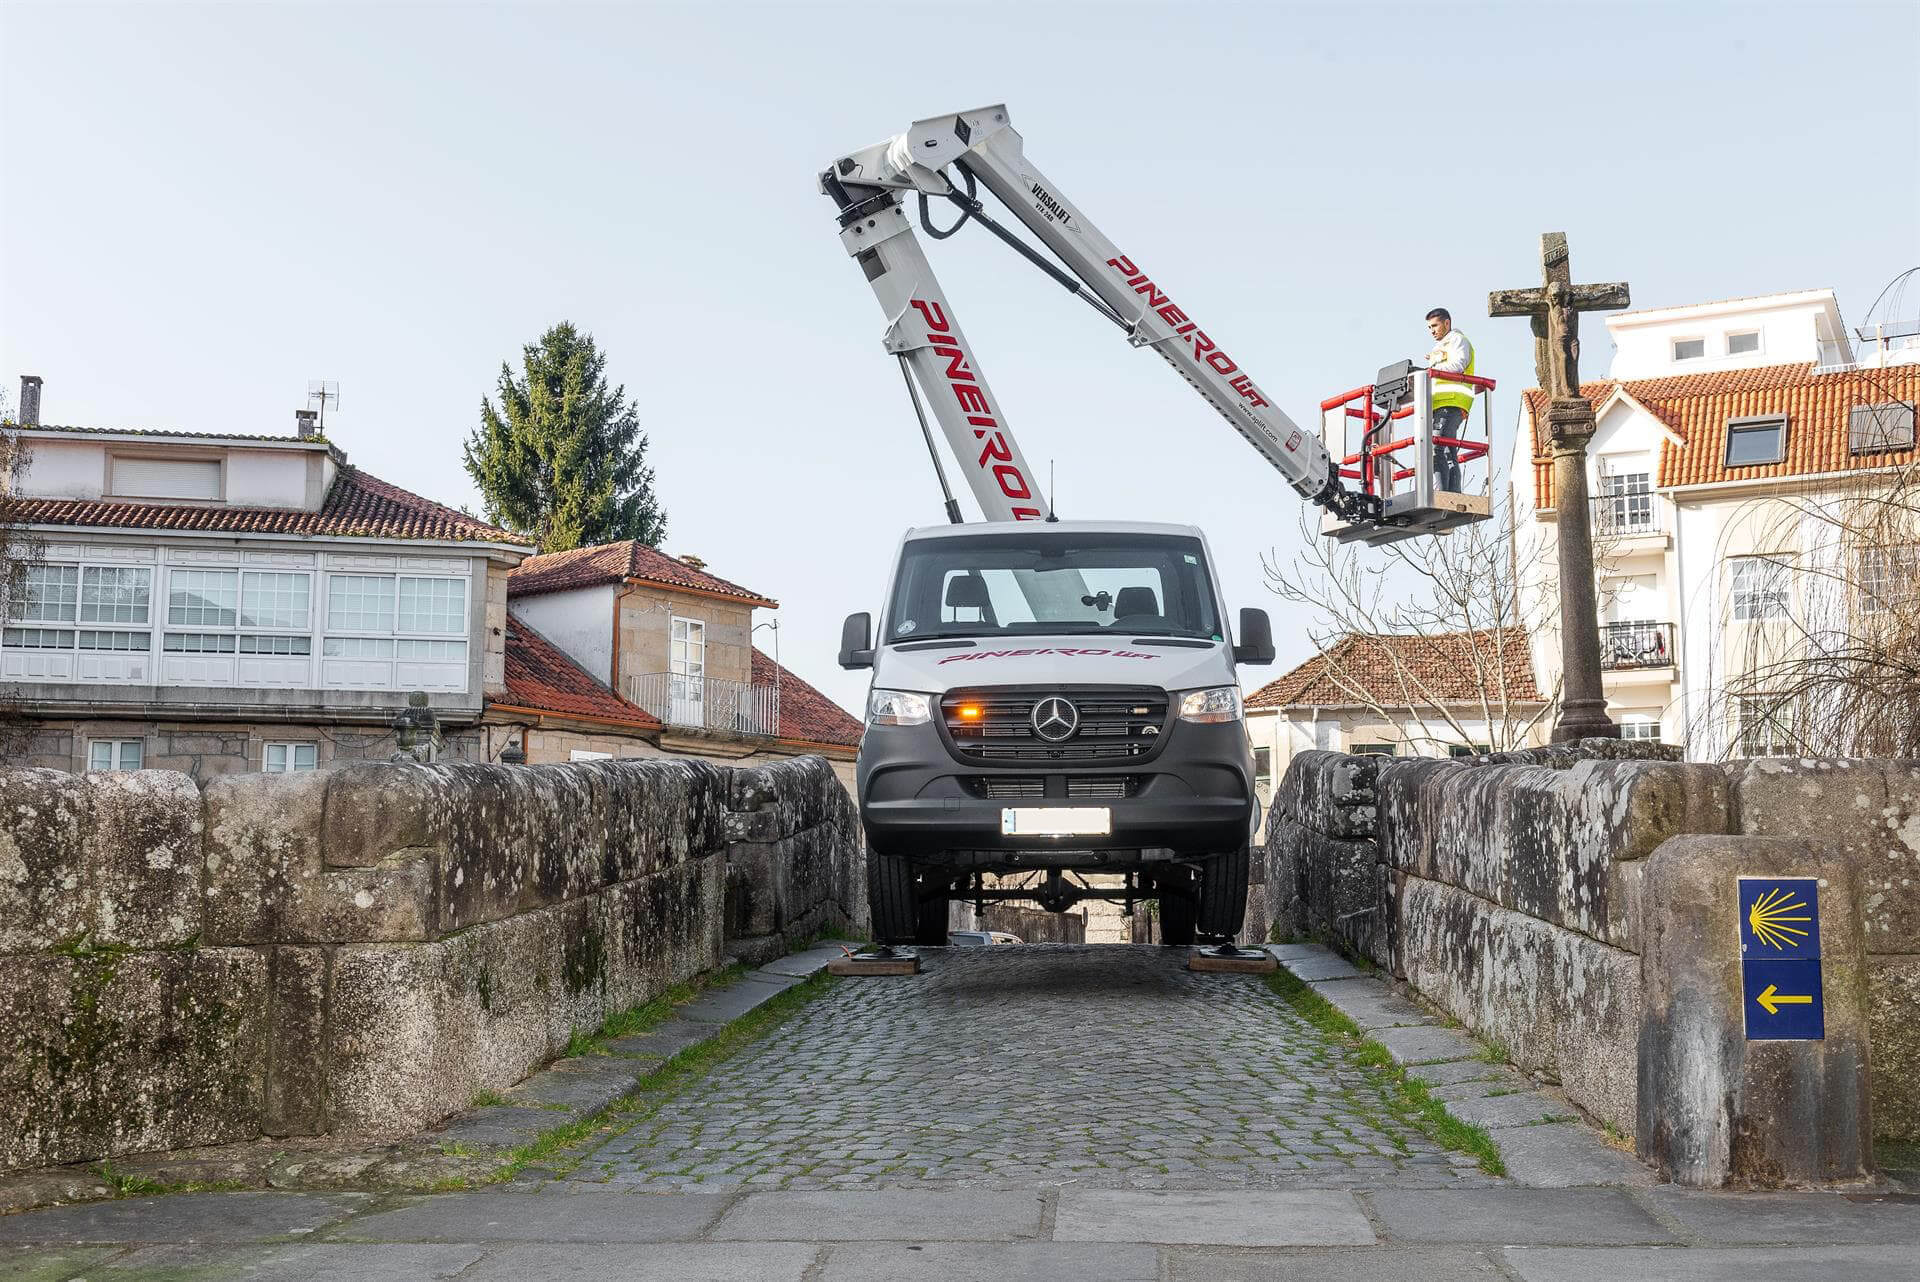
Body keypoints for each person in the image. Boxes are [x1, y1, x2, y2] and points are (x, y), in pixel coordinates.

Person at [1424, 307, 1474, 492]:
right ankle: (1452, 494)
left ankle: (1442, 494)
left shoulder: (1458, 340)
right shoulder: (1439, 347)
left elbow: (1459, 365)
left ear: (1447, 323)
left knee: (1437, 448)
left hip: (1453, 401)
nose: (1432, 331)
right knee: (1446, 450)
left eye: (1435, 325)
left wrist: (1434, 367)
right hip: (1441, 403)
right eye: (1429, 327)